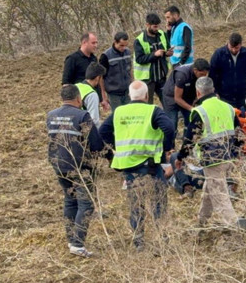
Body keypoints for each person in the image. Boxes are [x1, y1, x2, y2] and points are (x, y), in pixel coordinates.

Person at [99, 81, 175, 249]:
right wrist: (167, 147)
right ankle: (161, 239)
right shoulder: (152, 110)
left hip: (128, 164)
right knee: (158, 200)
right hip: (150, 164)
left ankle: (138, 240)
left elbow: (102, 132)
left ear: (130, 96)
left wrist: (116, 147)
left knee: (136, 201)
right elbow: (169, 128)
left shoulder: (119, 111)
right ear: (147, 96)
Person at [46, 85, 104, 257]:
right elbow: (96, 143)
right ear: (79, 99)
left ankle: (71, 240)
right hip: (79, 167)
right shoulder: (82, 116)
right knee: (86, 204)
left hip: (58, 164)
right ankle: (78, 244)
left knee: (70, 200)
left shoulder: (51, 115)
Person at [175, 77, 240, 227]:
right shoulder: (228, 107)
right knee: (209, 189)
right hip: (229, 156)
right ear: (213, 90)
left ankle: (235, 227)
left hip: (213, 159)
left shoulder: (200, 111)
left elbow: (190, 139)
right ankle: (201, 221)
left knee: (219, 195)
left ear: (198, 92)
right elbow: (239, 133)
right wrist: (237, 155)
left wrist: (180, 157)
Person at [209, 32, 246, 111]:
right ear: (228, 43)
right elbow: (212, 75)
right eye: (231, 47)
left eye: (236, 48)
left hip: (242, 96)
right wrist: (214, 92)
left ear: (241, 45)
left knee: (242, 120)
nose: (234, 50)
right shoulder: (219, 54)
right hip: (224, 97)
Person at [163, 58, 210, 139]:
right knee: (172, 123)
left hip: (187, 95)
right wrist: (192, 108)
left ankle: (187, 143)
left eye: (205, 75)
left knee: (190, 120)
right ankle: (170, 147)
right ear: (195, 70)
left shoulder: (200, 74)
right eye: (202, 75)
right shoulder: (182, 75)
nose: (204, 77)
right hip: (171, 97)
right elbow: (177, 98)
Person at [134, 13, 171, 105]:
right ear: (147, 25)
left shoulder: (162, 34)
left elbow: (166, 48)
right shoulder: (139, 40)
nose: (156, 29)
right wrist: (154, 54)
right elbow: (139, 59)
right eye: (154, 27)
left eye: (158, 26)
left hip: (161, 76)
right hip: (148, 79)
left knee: (167, 101)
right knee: (147, 104)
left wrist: (168, 53)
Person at [99, 32, 133, 109]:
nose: (123, 48)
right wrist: (103, 97)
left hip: (127, 91)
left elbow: (129, 71)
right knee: (118, 116)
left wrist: (132, 86)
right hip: (113, 93)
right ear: (115, 42)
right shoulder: (106, 56)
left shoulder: (128, 52)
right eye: (121, 45)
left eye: (125, 45)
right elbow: (101, 78)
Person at [75, 62, 107, 127]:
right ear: (98, 78)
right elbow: (94, 120)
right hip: (85, 129)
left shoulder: (76, 86)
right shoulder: (92, 94)